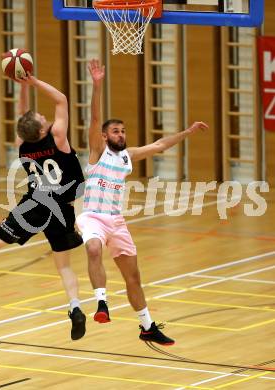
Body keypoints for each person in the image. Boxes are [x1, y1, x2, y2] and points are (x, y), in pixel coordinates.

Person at [76, 59, 208, 345]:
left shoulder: (127, 156)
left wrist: (187, 132)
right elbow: (95, 119)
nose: (120, 135)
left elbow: (160, 145)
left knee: (133, 277)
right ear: (104, 137)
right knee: (94, 248)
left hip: (116, 221)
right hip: (92, 217)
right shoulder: (98, 152)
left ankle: (147, 326)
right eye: (115, 131)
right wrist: (97, 85)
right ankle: (101, 303)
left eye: (123, 131)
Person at [0, 74, 87, 341]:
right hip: (62, 207)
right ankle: (75, 308)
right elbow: (61, 99)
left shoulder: (22, 144)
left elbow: (22, 116)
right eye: (42, 118)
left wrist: (21, 86)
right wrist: (34, 80)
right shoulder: (58, 137)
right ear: (42, 130)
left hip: (35, 203)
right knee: (64, 266)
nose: (45, 117)